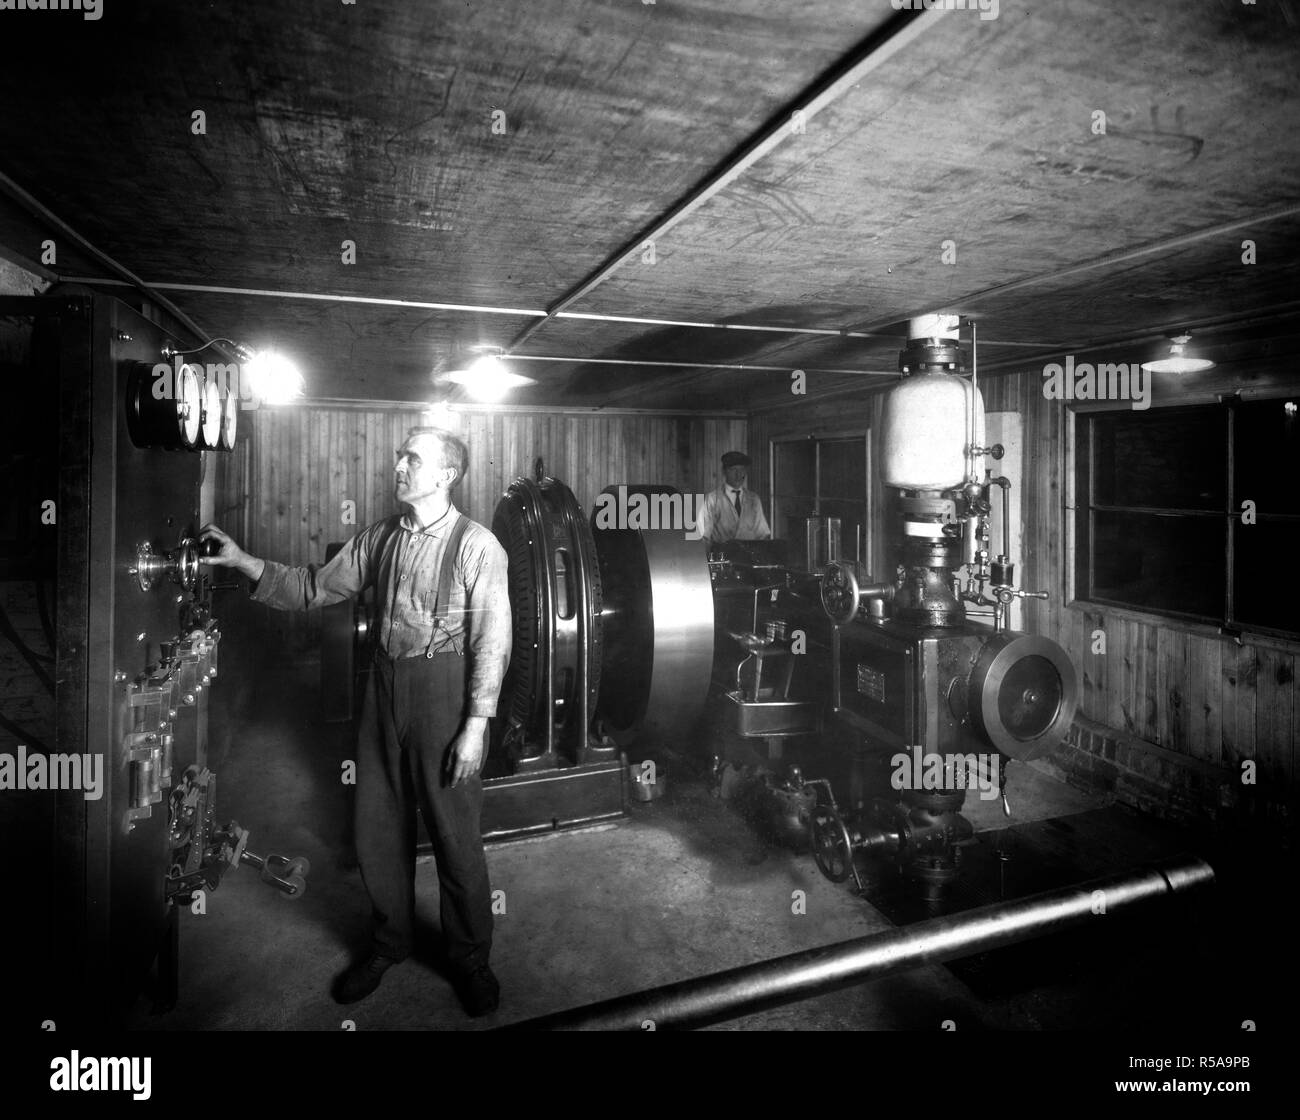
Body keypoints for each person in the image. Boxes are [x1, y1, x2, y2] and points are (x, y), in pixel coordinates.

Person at [198, 426, 511, 1018]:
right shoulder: (380, 539)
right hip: (385, 686)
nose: (398, 464)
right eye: (400, 454)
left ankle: (471, 960)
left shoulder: (479, 547)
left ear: (445, 475)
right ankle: (391, 943)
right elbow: (315, 587)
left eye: (412, 458)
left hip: (445, 696)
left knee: (454, 836)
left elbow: (493, 642)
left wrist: (476, 724)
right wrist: (241, 560)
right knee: (377, 826)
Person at [696, 450, 771, 546]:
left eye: (742, 470)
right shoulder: (712, 499)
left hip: (749, 557)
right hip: (722, 557)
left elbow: (763, 534)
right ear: (724, 471)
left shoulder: (754, 499)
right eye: (733, 470)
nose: (738, 475)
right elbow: (703, 537)